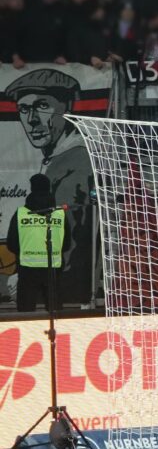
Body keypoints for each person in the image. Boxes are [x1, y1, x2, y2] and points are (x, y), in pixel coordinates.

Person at [3, 68, 94, 305]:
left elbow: (74, 242)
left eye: (42, 106)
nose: (32, 119)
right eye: (24, 109)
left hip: (64, 287)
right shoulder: (57, 160)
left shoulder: (75, 162)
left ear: (67, 108)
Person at [4, 174, 67, 314]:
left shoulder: (21, 213)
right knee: (55, 313)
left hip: (27, 269)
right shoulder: (59, 214)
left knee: (26, 312)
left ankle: (26, 335)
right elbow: (67, 243)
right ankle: (57, 335)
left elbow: (11, 243)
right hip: (53, 268)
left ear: (32, 189)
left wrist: (26, 252)